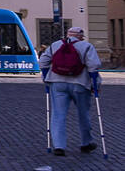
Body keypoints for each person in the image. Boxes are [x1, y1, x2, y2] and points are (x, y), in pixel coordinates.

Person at [39, 25, 102, 155]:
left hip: (57, 83)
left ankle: (59, 146)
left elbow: (43, 62)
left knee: (58, 114)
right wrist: (95, 86)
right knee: (83, 114)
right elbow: (93, 67)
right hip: (80, 83)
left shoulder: (55, 45)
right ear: (80, 36)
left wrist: (46, 78)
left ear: (68, 35)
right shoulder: (86, 46)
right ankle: (86, 143)